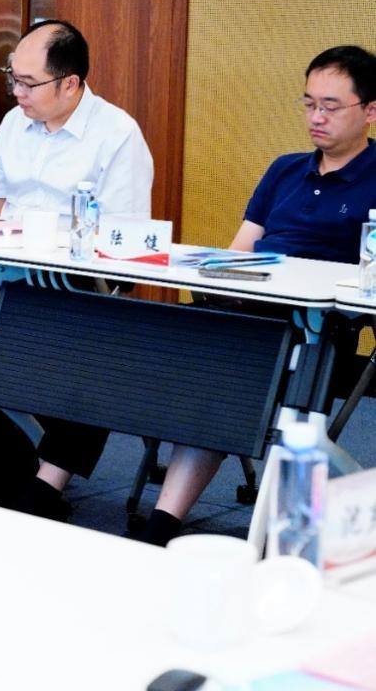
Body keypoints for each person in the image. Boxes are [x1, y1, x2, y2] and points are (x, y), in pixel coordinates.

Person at [138, 44, 376, 546]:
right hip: (247, 309)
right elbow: (239, 253)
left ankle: (163, 524)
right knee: (144, 340)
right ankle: (155, 518)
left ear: (370, 111)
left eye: (330, 106)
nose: (316, 117)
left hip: (315, 329)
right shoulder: (285, 169)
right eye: (309, 103)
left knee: (223, 378)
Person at [0, 19, 154, 520]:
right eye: (12, 79)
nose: (16, 93)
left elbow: (122, 241)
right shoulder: (14, 124)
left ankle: (46, 483)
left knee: (94, 346)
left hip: (75, 281)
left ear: (70, 83)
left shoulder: (117, 134)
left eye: (28, 83)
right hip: (4, 270)